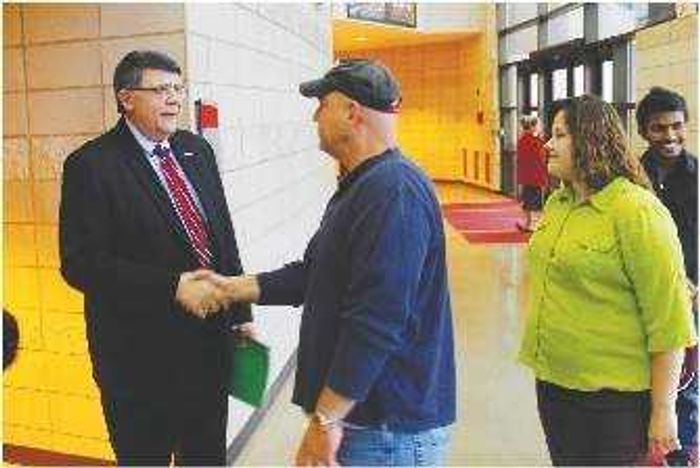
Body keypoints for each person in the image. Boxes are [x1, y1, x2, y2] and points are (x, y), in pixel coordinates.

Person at [199, 59, 456, 466]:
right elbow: (313, 274)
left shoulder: (393, 192)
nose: (314, 114)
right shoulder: (363, 185)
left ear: (352, 112)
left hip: (385, 429)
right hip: (364, 421)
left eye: (322, 103)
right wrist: (230, 288)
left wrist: (326, 421)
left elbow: (377, 322)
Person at [59, 50, 253, 465]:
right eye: (161, 89)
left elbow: (222, 236)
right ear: (126, 98)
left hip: (208, 350)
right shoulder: (92, 165)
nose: (174, 99)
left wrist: (241, 314)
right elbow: (80, 263)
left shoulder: (196, 150)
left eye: (178, 89)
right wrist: (170, 286)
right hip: (138, 364)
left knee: (205, 459)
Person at [519, 94, 697, 466]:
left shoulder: (636, 210)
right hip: (556, 385)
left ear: (591, 140)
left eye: (560, 134)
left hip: (613, 400)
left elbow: (670, 321)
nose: (548, 144)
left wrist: (663, 410)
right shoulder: (558, 203)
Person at [637, 86, 698, 466]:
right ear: (644, 130)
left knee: (689, 386)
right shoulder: (632, 179)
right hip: (645, 302)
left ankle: (681, 456)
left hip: (691, 301)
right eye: (659, 128)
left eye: (677, 126)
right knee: (646, 383)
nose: (670, 136)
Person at [515, 114, 548, 232]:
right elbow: (542, 157)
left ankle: (528, 223)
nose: (540, 127)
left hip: (527, 177)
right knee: (535, 201)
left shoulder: (522, 140)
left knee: (528, 200)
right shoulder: (535, 141)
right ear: (533, 126)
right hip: (535, 176)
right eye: (538, 125)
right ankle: (533, 225)